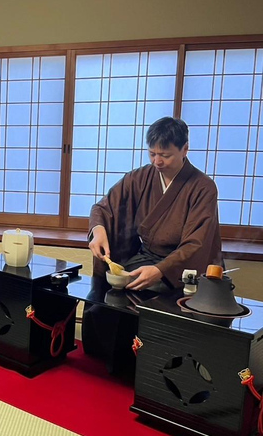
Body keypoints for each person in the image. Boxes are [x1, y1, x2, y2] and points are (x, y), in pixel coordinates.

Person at [84, 117, 223, 374]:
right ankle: (113, 363)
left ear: (185, 149)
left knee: (148, 302)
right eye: (152, 154)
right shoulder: (141, 177)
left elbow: (197, 243)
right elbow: (103, 207)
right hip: (146, 257)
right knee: (114, 293)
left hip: (186, 269)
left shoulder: (203, 187)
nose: (157, 162)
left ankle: (149, 373)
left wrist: (160, 270)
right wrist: (99, 230)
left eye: (165, 155)